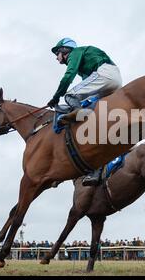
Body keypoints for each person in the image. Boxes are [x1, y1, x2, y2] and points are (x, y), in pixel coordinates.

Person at [47, 38, 123, 186]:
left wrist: (56, 96)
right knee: (89, 107)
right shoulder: (84, 64)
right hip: (114, 79)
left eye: (57, 53)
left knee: (70, 95)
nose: (57, 58)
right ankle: (98, 168)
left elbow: (69, 75)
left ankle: (83, 121)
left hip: (105, 74)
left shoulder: (75, 53)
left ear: (64, 50)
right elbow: (87, 85)